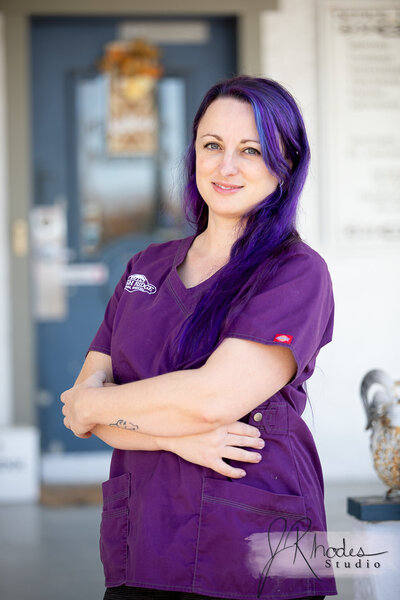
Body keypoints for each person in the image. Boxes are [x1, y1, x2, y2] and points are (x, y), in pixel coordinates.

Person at [61, 75, 337, 600]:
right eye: (212, 145)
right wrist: (176, 436)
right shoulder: (145, 267)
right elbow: (80, 415)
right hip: (144, 534)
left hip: (262, 533)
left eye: (251, 150)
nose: (226, 166)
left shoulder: (297, 273)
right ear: (193, 153)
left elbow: (211, 398)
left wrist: (100, 406)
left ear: (287, 167)